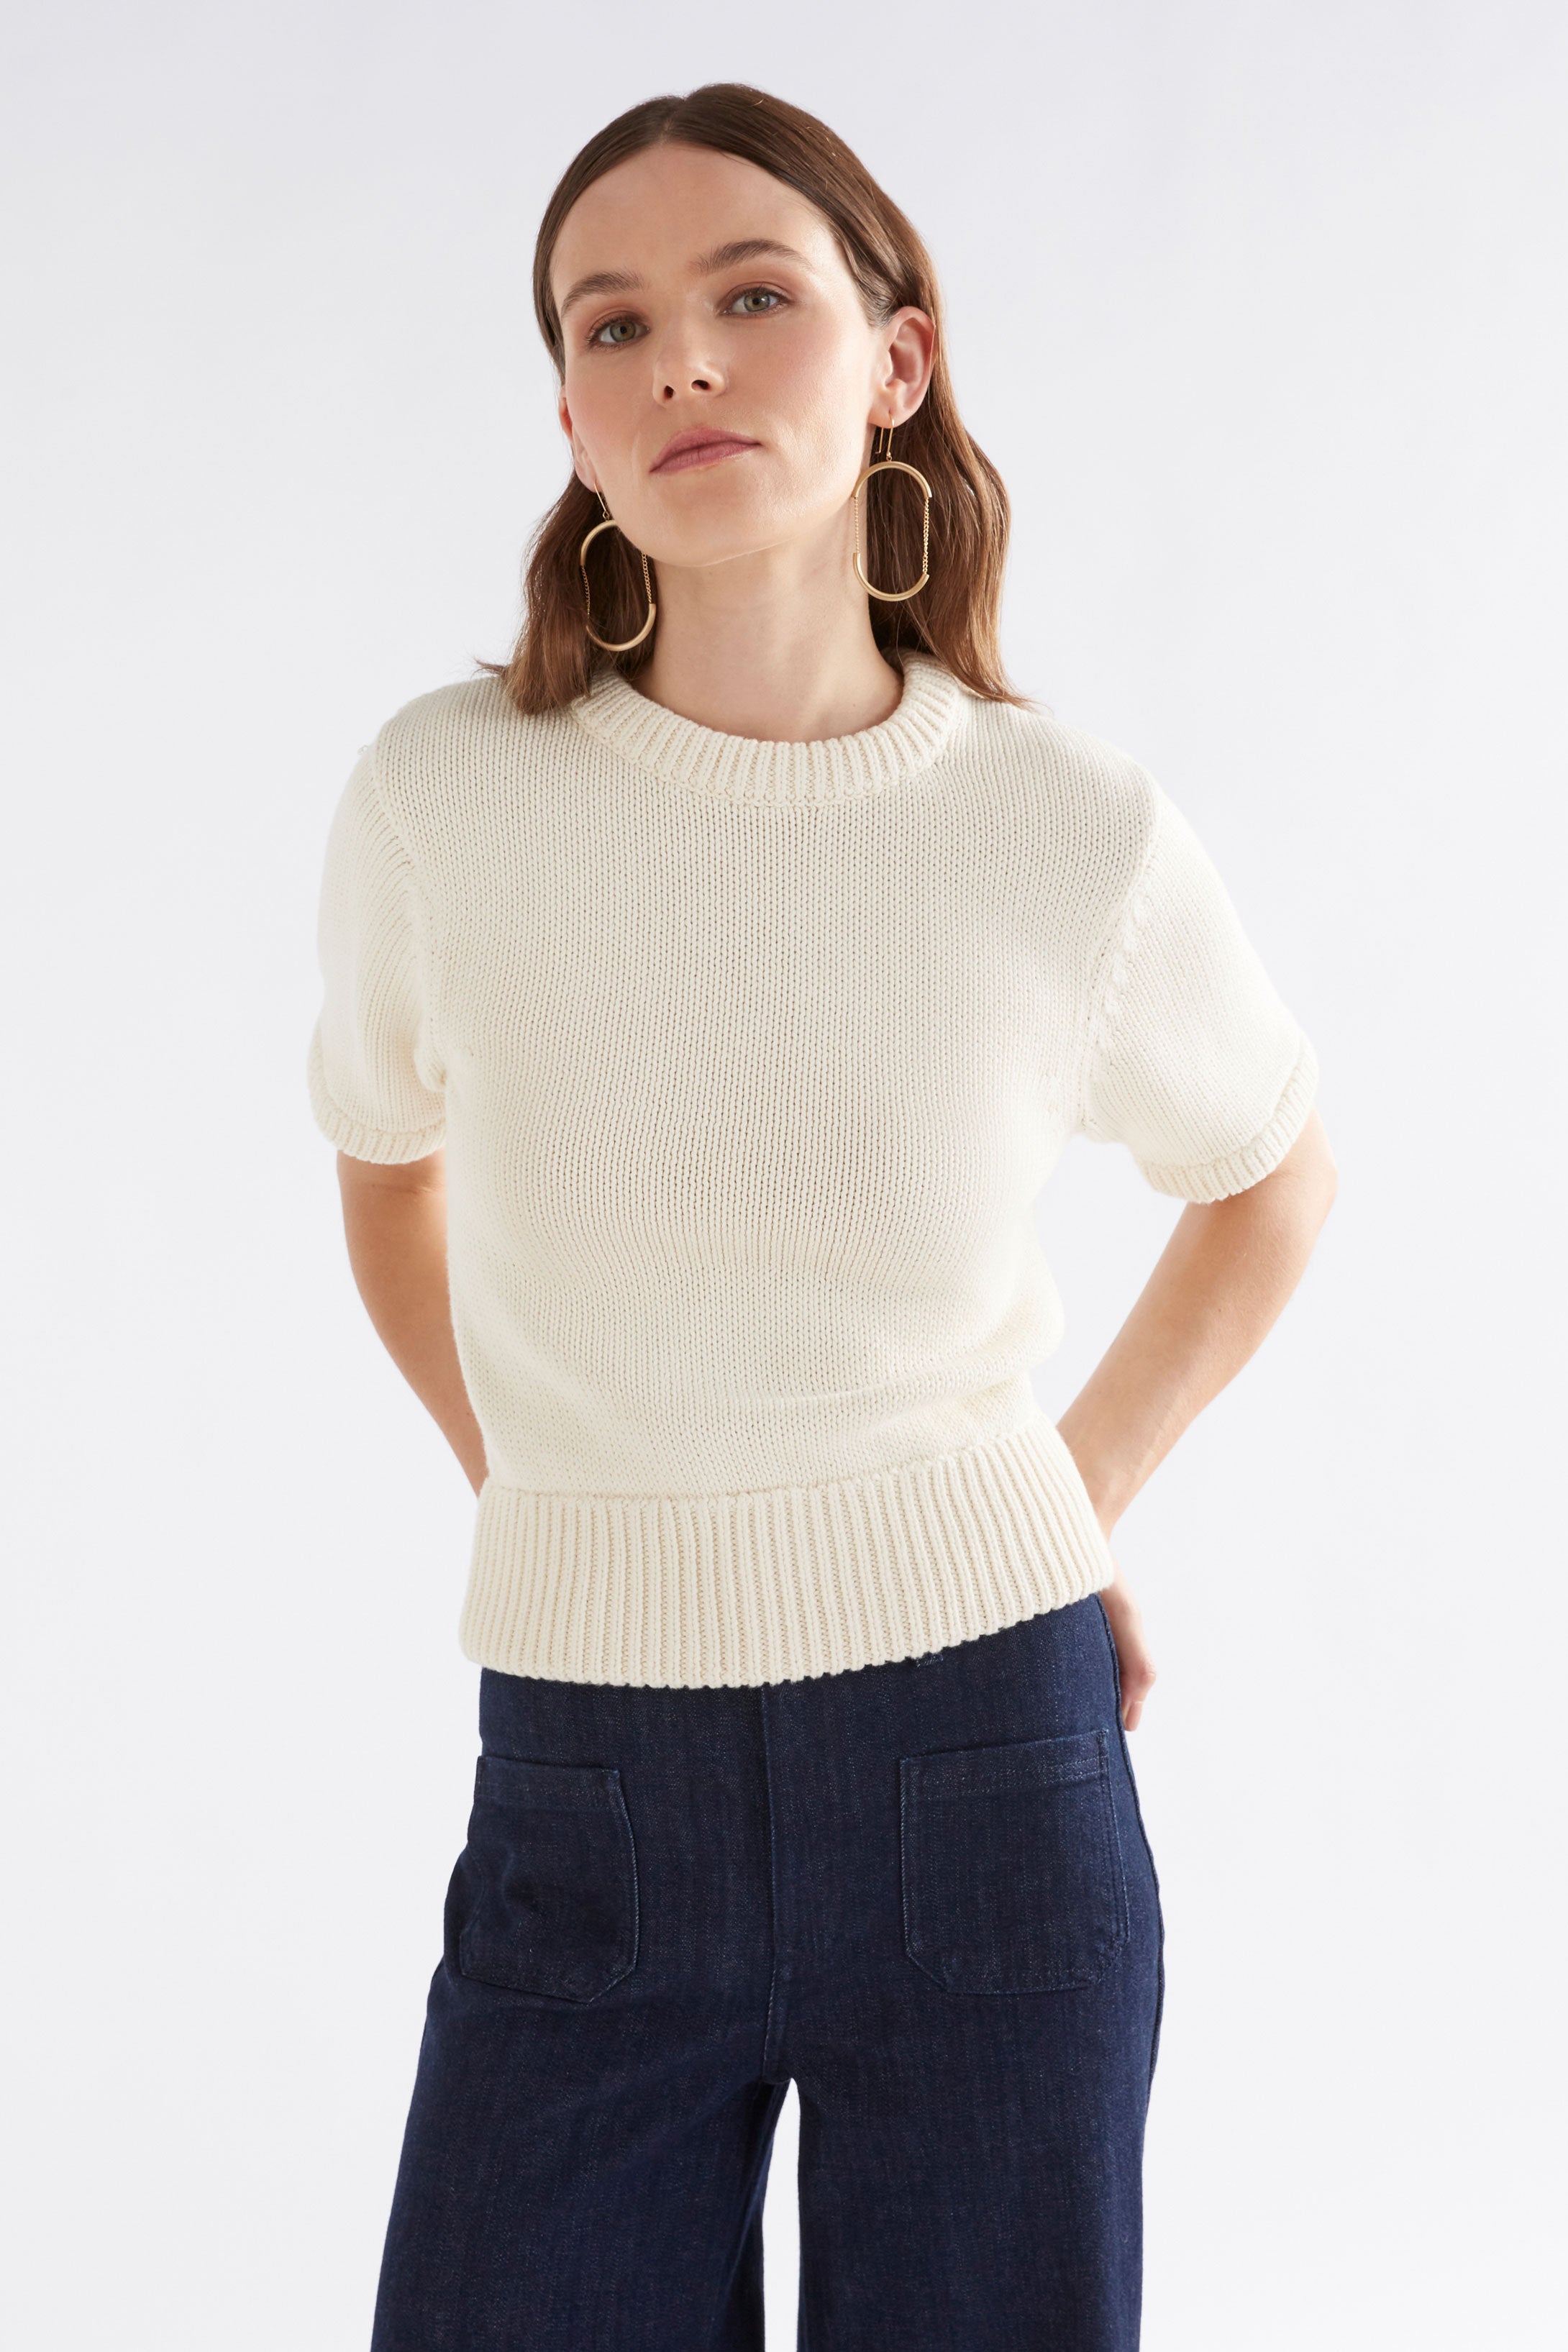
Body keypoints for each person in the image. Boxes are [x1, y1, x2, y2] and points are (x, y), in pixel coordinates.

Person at [306, 81, 1336, 2352]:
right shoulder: (444, 802)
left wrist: (1059, 1501)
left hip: (986, 1759)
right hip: (586, 1769)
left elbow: (1270, 1173)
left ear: (895, 359)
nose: (679, 355)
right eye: (611, 323)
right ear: (570, 418)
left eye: (750, 295)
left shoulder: (1058, 826)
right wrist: (554, 1486)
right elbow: (389, 1177)